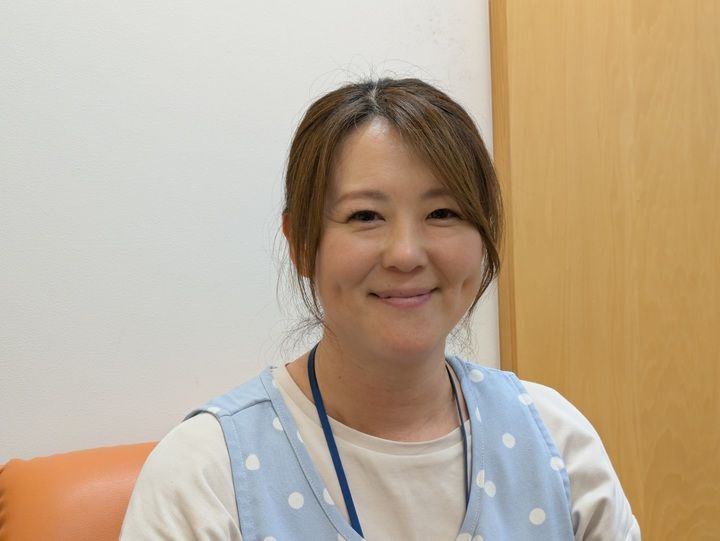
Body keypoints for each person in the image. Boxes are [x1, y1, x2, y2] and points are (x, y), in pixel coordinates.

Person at [120, 78, 640, 540]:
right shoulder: (206, 476)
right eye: (366, 216)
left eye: (443, 213)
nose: (406, 254)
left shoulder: (555, 442)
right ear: (301, 243)